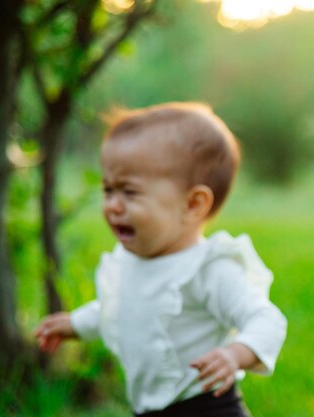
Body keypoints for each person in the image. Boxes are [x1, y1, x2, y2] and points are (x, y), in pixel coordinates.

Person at [35, 102, 287, 417]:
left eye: (129, 192)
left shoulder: (208, 268)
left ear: (193, 204)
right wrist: (76, 324)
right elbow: (124, 309)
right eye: (108, 190)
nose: (113, 205)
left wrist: (237, 353)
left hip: (208, 407)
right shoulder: (131, 263)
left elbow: (267, 319)